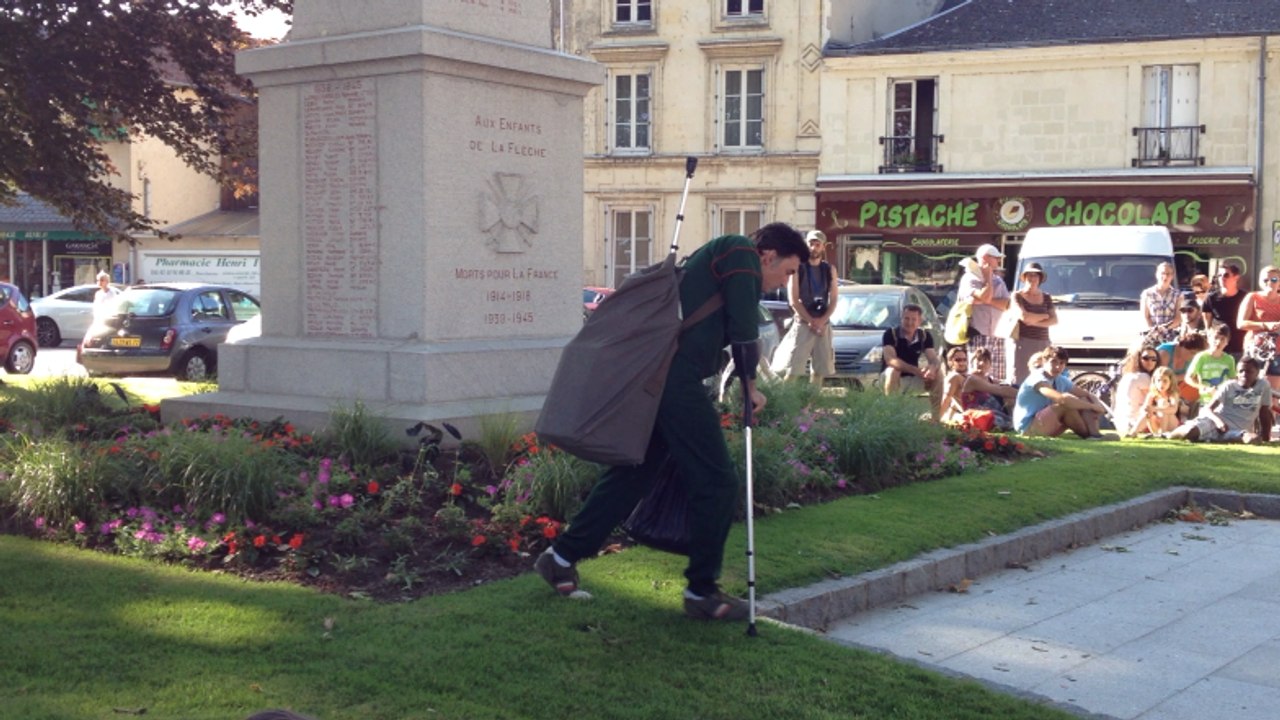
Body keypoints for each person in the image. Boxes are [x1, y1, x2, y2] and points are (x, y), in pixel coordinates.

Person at [534, 223, 808, 621]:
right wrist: (749, 386)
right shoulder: (740, 253)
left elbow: (731, 325)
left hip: (664, 378)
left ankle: (560, 557)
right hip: (674, 380)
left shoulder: (729, 256)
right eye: (787, 272)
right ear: (768, 255)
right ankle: (701, 591)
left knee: (634, 473)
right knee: (717, 481)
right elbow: (745, 328)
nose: (782, 283)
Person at [771, 230, 838, 384]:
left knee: (819, 372)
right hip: (803, 322)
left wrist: (822, 320)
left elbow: (834, 299)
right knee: (793, 370)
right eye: (810, 244)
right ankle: (786, 406)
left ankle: (810, 406)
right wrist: (810, 321)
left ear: (823, 247)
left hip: (823, 324)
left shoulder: (829, 269)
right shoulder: (798, 268)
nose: (813, 248)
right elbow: (794, 300)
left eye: (817, 244)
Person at [1165, 357, 1270, 444]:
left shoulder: (1263, 386)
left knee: (1251, 439)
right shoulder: (1229, 386)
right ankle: (1168, 435)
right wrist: (1219, 422)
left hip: (1237, 430)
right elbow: (1207, 409)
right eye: (1241, 371)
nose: (1244, 374)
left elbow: (1264, 412)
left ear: (1257, 373)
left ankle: (1210, 439)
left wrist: (1266, 438)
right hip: (1214, 423)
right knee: (1190, 431)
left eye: (1249, 371)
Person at [1013, 346, 1109, 438]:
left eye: (1062, 363)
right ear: (1044, 361)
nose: (1058, 366)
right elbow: (1062, 399)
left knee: (1084, 399)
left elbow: (1087, 394)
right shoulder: (1037, 378)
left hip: (1046, 422)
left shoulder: (1060, 379)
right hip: (1028, 428)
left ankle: (1094, 433)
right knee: (1065, 405)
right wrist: (1092, 406)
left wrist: (1097, 405)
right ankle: (1092, 436)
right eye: (1053, 362)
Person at [958, 243, 1011, 384]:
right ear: (985, 258)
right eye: (996, 257)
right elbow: (987, 298)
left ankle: (996, 404)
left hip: (998, 334)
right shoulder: (969, 278)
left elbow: (1006, 304)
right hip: (978, 333)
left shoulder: (998, 280)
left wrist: (984, 299)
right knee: (977, 373)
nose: (998, 261)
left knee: (998, 377)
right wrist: (987, 279)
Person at [1238, 265, 1280, 433]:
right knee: (1251, 387)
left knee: (1271, 392)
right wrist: (1265, 325)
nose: (1270, 283)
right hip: (1256, 348)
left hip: (1277, 350)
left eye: (1274, 279)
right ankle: (1248, 426)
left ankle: (1266, 431)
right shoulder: (1253, 297)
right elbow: (1240, 323)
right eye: (1266, 280)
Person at [880, 303, 942, 418]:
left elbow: (934, 358)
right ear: (901, 318)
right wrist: (916, 370)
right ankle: (891, 417)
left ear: (919, 321)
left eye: (914, 319)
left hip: (913, 378)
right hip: (891, 378)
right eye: (906, 318)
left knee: (939, 374)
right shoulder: (891, 334)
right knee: (893, 371)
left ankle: (936, 418)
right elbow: (890, 360)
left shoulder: (924, 335)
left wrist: (932, 368)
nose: (909, 322)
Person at [938, 345, 1015, 428]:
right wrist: (936, 419)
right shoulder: (954, 377)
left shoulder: (965, 377)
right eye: (958, 360)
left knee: (1009, 394)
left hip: (986, 409)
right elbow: (946, 399)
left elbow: (953, 402)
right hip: (980, 412)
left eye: (964, 360)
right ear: (950, 362)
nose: (962, 363)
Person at [1006, 262, 1057, 385]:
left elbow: (1054, 320)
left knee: (1043, 378)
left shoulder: (1046, 297)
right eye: (1029, 275)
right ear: (1024, 277)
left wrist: (1032, 321)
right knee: (1020, 378)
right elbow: (1023, 317)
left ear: (1040, 278)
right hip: (1022, 342)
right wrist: (1044, 316)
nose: (1032, 278)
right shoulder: (1017, 296)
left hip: (1043, 342)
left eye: (1035, 275)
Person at [1186, 324, 1237, 407]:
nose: (1218, 342)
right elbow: (1188, 378)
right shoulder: (1201, 357)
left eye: (1222, 339)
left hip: (1223, 402)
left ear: (1227, 342)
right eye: (1216, 338)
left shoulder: (1229, 360)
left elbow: (1233, 380)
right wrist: (1204, 388)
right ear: (1209, 338)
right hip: (1206, 401)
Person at [1112, 345, 1156, 437]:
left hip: (1120, 423)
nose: (1150, 362)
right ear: (1138, 359)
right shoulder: (1143, 377)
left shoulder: (1127, 375)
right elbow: (1155, 400)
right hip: (1135, 422)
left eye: (1153, 359)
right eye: (1146, 358)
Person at [1202, 262, 1246, 355]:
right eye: (1219, 275)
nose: (1222, 278)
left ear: (1236, 277)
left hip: (1239, 347)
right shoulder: (1211, 298)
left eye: (1226, 275)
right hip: (1218, 348)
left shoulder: (1245, 297)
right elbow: (1208, 326)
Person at [1135, 366, 1183, 436]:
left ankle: (1161, 434)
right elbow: (1144, 408)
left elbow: (1174, 409)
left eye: (1165, 381)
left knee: (1164, 404)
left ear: (1171, 382)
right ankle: (1134, 432)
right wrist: (1148, 410)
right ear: (1154, 381)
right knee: (1147, 412)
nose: (1161, 384)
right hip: (1156, 425)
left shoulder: (1172, 394)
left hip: (1171, 425)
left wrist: (1155, 409)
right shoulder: (1152, 394)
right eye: (1159, 380)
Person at [1140, 262, 1178, 329]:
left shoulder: (1178, 295)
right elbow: (1145, 317)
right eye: (1162, 273)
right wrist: (1154, 330)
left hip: (1172, 335)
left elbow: (1179, 318)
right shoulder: (1147, 294)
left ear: (1172, 276)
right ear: (1157, 274)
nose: (1165, 276)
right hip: (1152, 334)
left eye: (1168, 274)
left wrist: (1164, 329)